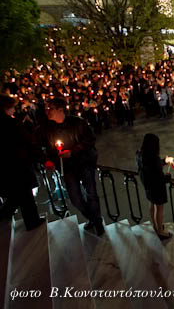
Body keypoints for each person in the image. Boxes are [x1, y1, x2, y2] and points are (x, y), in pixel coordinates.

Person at [39, 97, 103, 236]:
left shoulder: (78, 123)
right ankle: (94, 218)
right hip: (67, 168)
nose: (47, 111)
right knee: (75, 198)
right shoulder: (46, 128)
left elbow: (90, 140)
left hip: (84, 163)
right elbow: (38, 146)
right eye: (46, 108)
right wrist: (46, 160)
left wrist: (73, 152)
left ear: (60, 110)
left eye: (50, 108)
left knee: (91, 194)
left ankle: (97, 222)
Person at [0, 94, 44, 230]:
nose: (14, 110)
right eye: (12, 108)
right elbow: (27, 141)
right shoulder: (11, 124)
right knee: (24, 194)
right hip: (18, 164)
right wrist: (41, 158)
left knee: (18, 194)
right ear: (6, 108)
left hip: (6, 166)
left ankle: (30, 220)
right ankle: (32, 221)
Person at [136, 133, 171, 240]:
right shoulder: (153, 158)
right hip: (157, 187)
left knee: (152, 204)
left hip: (148, 186)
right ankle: (160, 231)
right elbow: (158, 177)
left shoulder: (140, 155)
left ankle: (156, 226)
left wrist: (164, 161)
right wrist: (167, 177)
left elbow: (150, 168)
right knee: (159, 208)